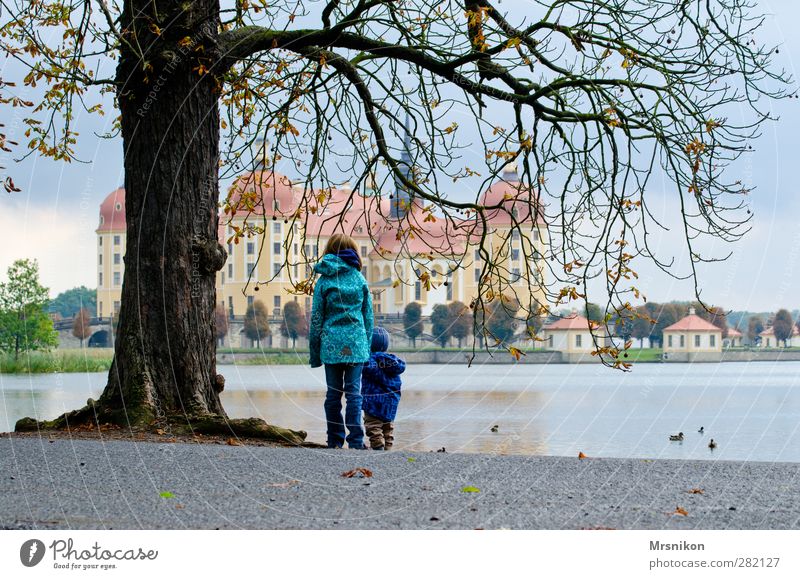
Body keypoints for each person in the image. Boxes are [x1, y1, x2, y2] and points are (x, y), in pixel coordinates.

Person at [309, 233, 373, 449]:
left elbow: (317, 318)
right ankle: (356, 441)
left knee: (333, 395)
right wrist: (367, 347)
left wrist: (315, 353)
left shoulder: (324, 280)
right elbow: (368, 318)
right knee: (354, 394)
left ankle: (334, 439)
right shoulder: (359, 279)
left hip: (331, 345)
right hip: (356, 344)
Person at [362, 327, 405, 450]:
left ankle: (377, 446)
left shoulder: (369, 360)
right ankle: (388, 448)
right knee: (388, 427)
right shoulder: (394, 362)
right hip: (391, 402)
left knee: (373, 425)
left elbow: (368, 369)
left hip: (373, 401)